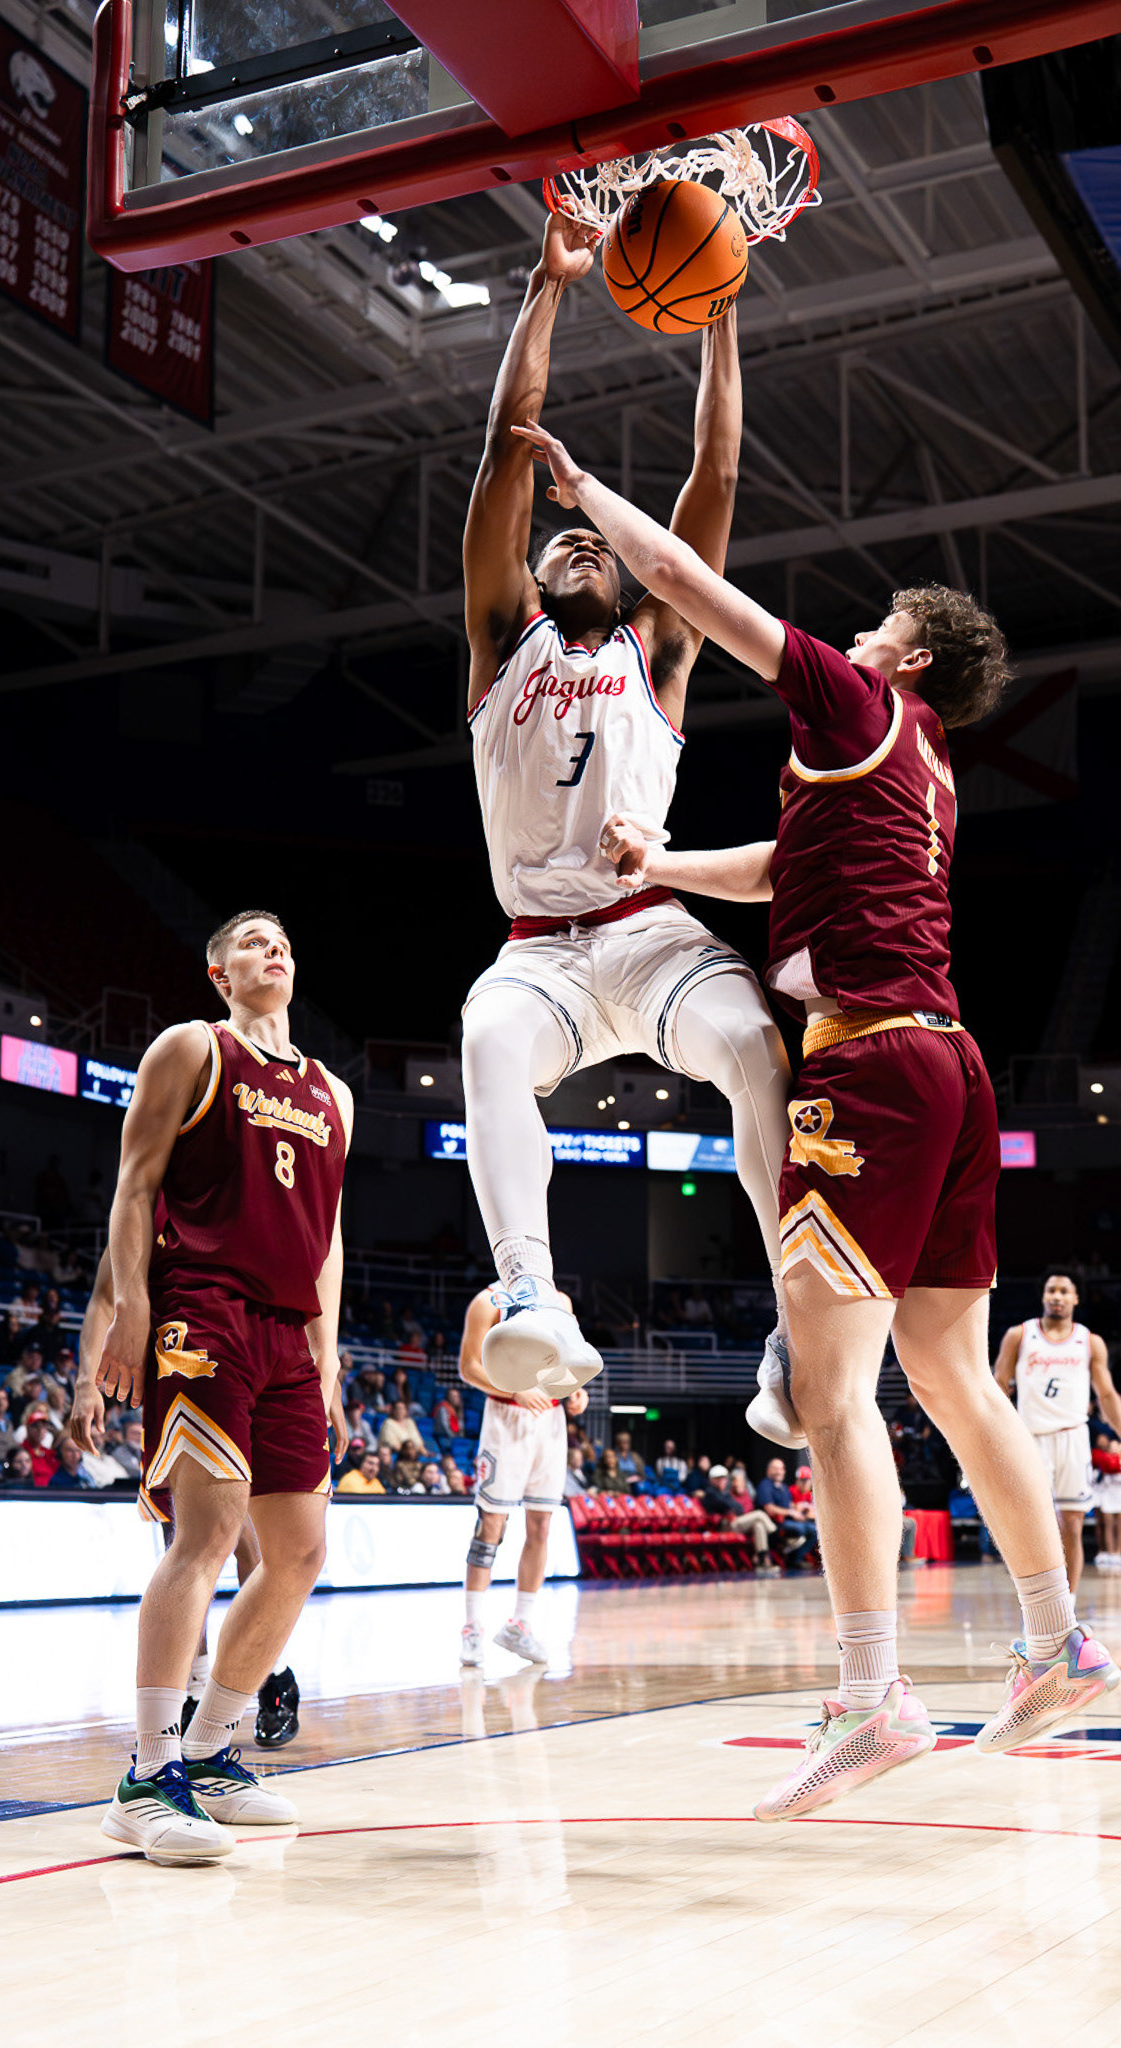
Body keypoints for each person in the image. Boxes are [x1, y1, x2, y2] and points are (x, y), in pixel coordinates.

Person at [515, 412, 1121, 1820]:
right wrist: (661, 862)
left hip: (869, 1070)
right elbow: (784, 869)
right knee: (951, 1375)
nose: (857, 632)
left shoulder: (852, 701)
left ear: (904, 657)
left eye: (879, 624)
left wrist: (585, 487)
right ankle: (1056, 1638)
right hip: (952, 1065)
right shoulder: (926, 759)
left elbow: (683, 582)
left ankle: (870, 1694)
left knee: (832, 1394)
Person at [459, 213, 794, 1444]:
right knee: (484, 1036)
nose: (586, 542)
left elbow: (716, 474)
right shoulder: (500, 638)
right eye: (568, 539)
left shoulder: (662, 646)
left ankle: (794, 1320)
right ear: (538, 577)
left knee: (754, 1044)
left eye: (603, 542)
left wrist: (722, 318)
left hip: (650, 931)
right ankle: (532, 1295)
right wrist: (546, 286)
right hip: (537, 948)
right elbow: (505, 445)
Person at [90, 910, 351, 1864]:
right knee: (205, 1534)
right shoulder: (192, 1048)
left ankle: (207, 1755)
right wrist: (128, 1308)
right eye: (250, 941)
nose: (271, 948)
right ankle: (145, 1777)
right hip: (203, 1309)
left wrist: (327, 1353)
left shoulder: (334, 1094)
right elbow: (133, 1185)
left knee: (300, 1551)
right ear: (219, 973)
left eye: (282, 939)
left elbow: (328, 1238)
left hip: (288, 1334)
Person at [457, 1285, 588, 1667]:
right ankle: (472, 1627)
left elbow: (570, 1357)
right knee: (491, 1526)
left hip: (550, 1418)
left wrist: (577, 1390)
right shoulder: (487, 1301)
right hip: (504, 1417)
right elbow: (468, 1367)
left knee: (542, 1526)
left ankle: (521, 1625)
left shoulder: (560, 1300)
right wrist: (514, 1391)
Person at [993, 1270, 1121, 1595]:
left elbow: (1106, 1394)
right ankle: (1036, 1600)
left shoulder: (1089, 1341)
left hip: (1073, 1437)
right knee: (1034, 1526)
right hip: (1030, 1438)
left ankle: (1067, 1601)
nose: (1057, 1296)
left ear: (1075, 1298)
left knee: (1072, 1523)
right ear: (1043, 1296)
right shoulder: (1019, 1335)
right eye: (1051, 1290)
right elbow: (998, 1385)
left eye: (1063, 1291)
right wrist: (1000, 1434)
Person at [701, 1464, 779, 1575]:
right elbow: (726, 1504)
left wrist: (730, 1507)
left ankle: (762, 1563)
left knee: (759, 1524)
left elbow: (739, 1509)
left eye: (723, 1478)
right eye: (718, 1478)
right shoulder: (710, 1493)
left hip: (733, 1522)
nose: (721, 1481)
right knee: (759, 1514)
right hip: (722, 1526)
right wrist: (730, 1507)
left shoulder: (724, 1493)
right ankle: (776, 1535)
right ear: (711, 1480)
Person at [756, 1456, 818, 1569]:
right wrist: (791, 1512)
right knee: (802, 1528)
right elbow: (769, 1508)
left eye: (781, 1468)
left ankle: (795, 1558)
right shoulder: (766, 1485)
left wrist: (798, 1509)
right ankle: (788, 1551)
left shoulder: (783, 1487)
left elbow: (789, 1505)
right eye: (775, 1468)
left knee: (814, 1530)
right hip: (773, 1524)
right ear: (769, 1470)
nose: (779, 1471)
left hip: (787, 1521)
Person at [1090, 1434, 1121, 1571]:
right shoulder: (1102, 1461)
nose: (1114, 1449)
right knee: (1108, 1525)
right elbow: (1096, 1480)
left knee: (1120, 1525)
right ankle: (1109, 1552)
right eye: (1111, 1447)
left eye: (1116, 1447)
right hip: (1107, 1495)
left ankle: (1118, 1553)